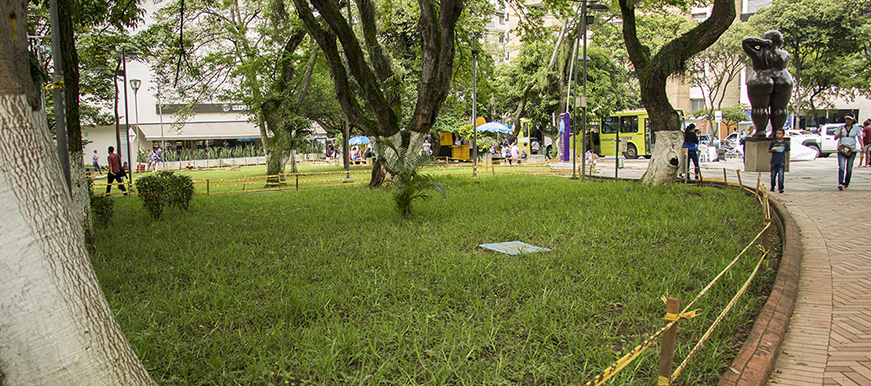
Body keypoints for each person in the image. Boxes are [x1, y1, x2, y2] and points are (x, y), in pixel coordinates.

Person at [743, 31, 793, 138]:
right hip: (783, 79)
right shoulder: (784, 54)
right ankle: (777, 131)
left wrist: (762, 43)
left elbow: (746, 42)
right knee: (781, 108)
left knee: (759, 108)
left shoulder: (759, 53)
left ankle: (761, 131)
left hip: (761, 78)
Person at [835, 115, 861, 190]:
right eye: (846, 119)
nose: (848, 121)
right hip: (842, 149)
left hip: (851, 149)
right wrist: (840, 133)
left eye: (849, 119)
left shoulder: (856, 128)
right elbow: (835, 137)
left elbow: (859, 137)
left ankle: (847, 183)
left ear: (853, 120)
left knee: (849, 168)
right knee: (842, 167)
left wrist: (862, 145)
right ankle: (840, 182)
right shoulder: (841, 127)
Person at [768, 127, 790, 193]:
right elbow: (769, 150)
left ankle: (781, 188)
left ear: (783, 134)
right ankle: (772, 186)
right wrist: (773, 150)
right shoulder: (773, 142)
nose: (778, 135)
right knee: (773, 175)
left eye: (780, 134)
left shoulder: (785, 143)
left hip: (781, 161)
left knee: (781, 175)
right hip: (774, 161)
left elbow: (787, 152)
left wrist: (787, 162)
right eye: (777, 133)